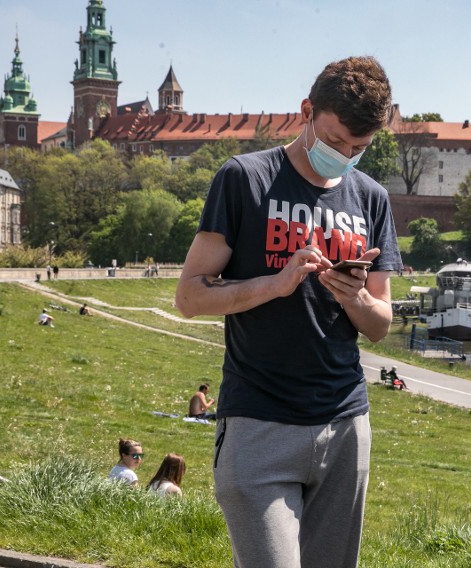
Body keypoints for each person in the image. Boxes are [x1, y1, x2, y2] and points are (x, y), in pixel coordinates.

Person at [175, 56, 402, 568]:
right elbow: (189, 297)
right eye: (336, 141)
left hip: (345, 425)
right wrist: (275, 285)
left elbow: (382, 324)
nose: (345, 156)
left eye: (359, 148)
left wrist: (355, 297)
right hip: (259, 420)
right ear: (306, 111)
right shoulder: (244, 178)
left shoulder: (373, 198)